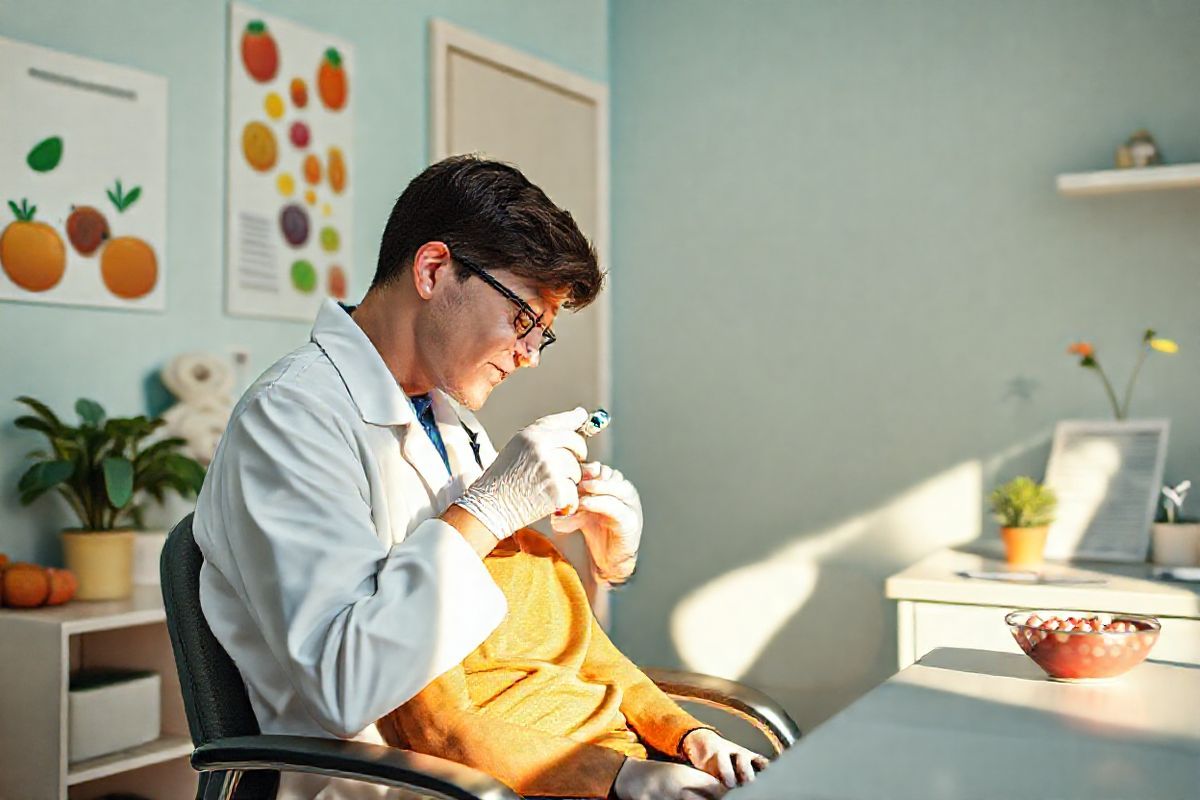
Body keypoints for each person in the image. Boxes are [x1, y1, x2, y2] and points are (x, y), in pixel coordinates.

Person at [193, 156, 641, 798]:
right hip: (383, 784)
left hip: (486, 760)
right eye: (523, 320)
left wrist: (603, 564)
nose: (527, 356)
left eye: (542, 336)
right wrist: (488, 510)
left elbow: (503, 653)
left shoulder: (447, 419)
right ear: (433, 270)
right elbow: (348, 686)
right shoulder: (290, 417)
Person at [378, 524, 769, 799]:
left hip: (636, 767)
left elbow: (612, 669)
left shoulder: (535, 552)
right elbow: (439, 732)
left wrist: (694, 739)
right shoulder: (420, 580)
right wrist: (620, 777)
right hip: (538, 785)